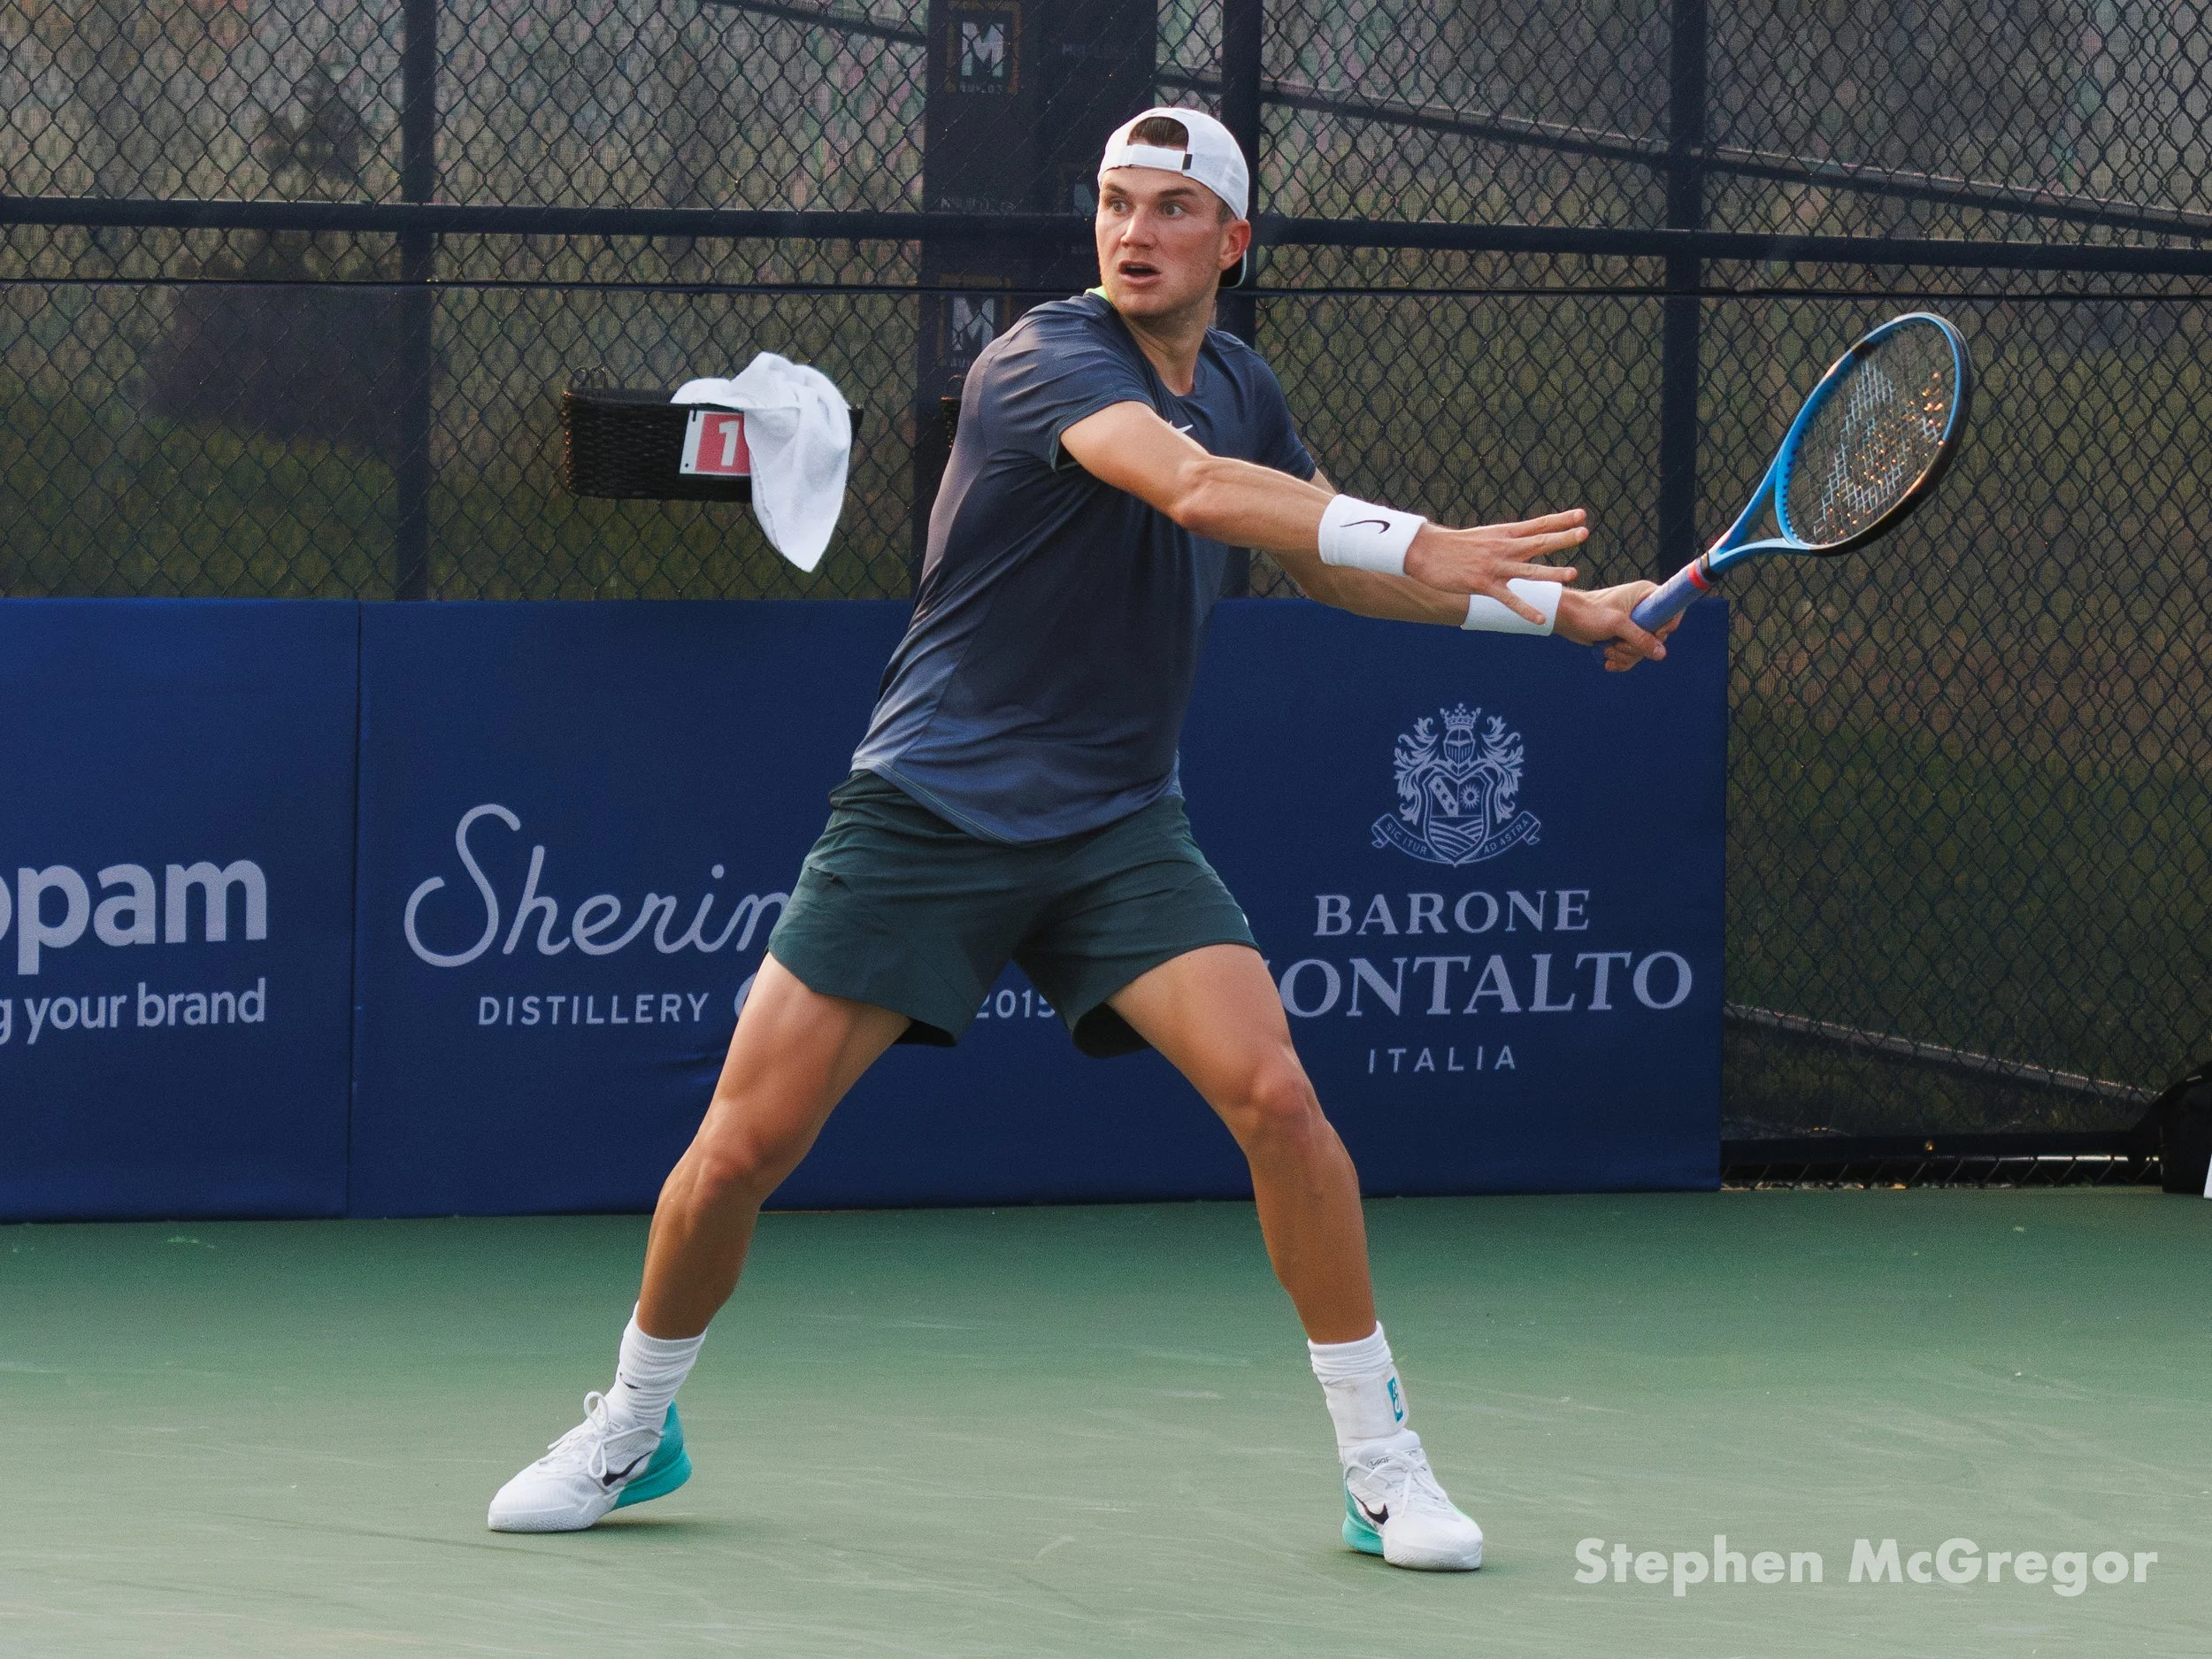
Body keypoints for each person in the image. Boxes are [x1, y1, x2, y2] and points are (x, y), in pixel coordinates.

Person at [488, 106, 1675, 1571]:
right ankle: (630, 1424)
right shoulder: (1044, 357)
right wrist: (1419, 531)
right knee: (738, 1147)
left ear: (1233, 243)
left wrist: (1564, 610)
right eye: (1117, 202)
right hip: (929, 810)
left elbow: (1322, 564)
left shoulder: (1241, 383)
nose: (1136, 232)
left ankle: (1382, 1467)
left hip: (1118, 824)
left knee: (1279, 1102)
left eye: (1175, 208)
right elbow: (1186, 489)